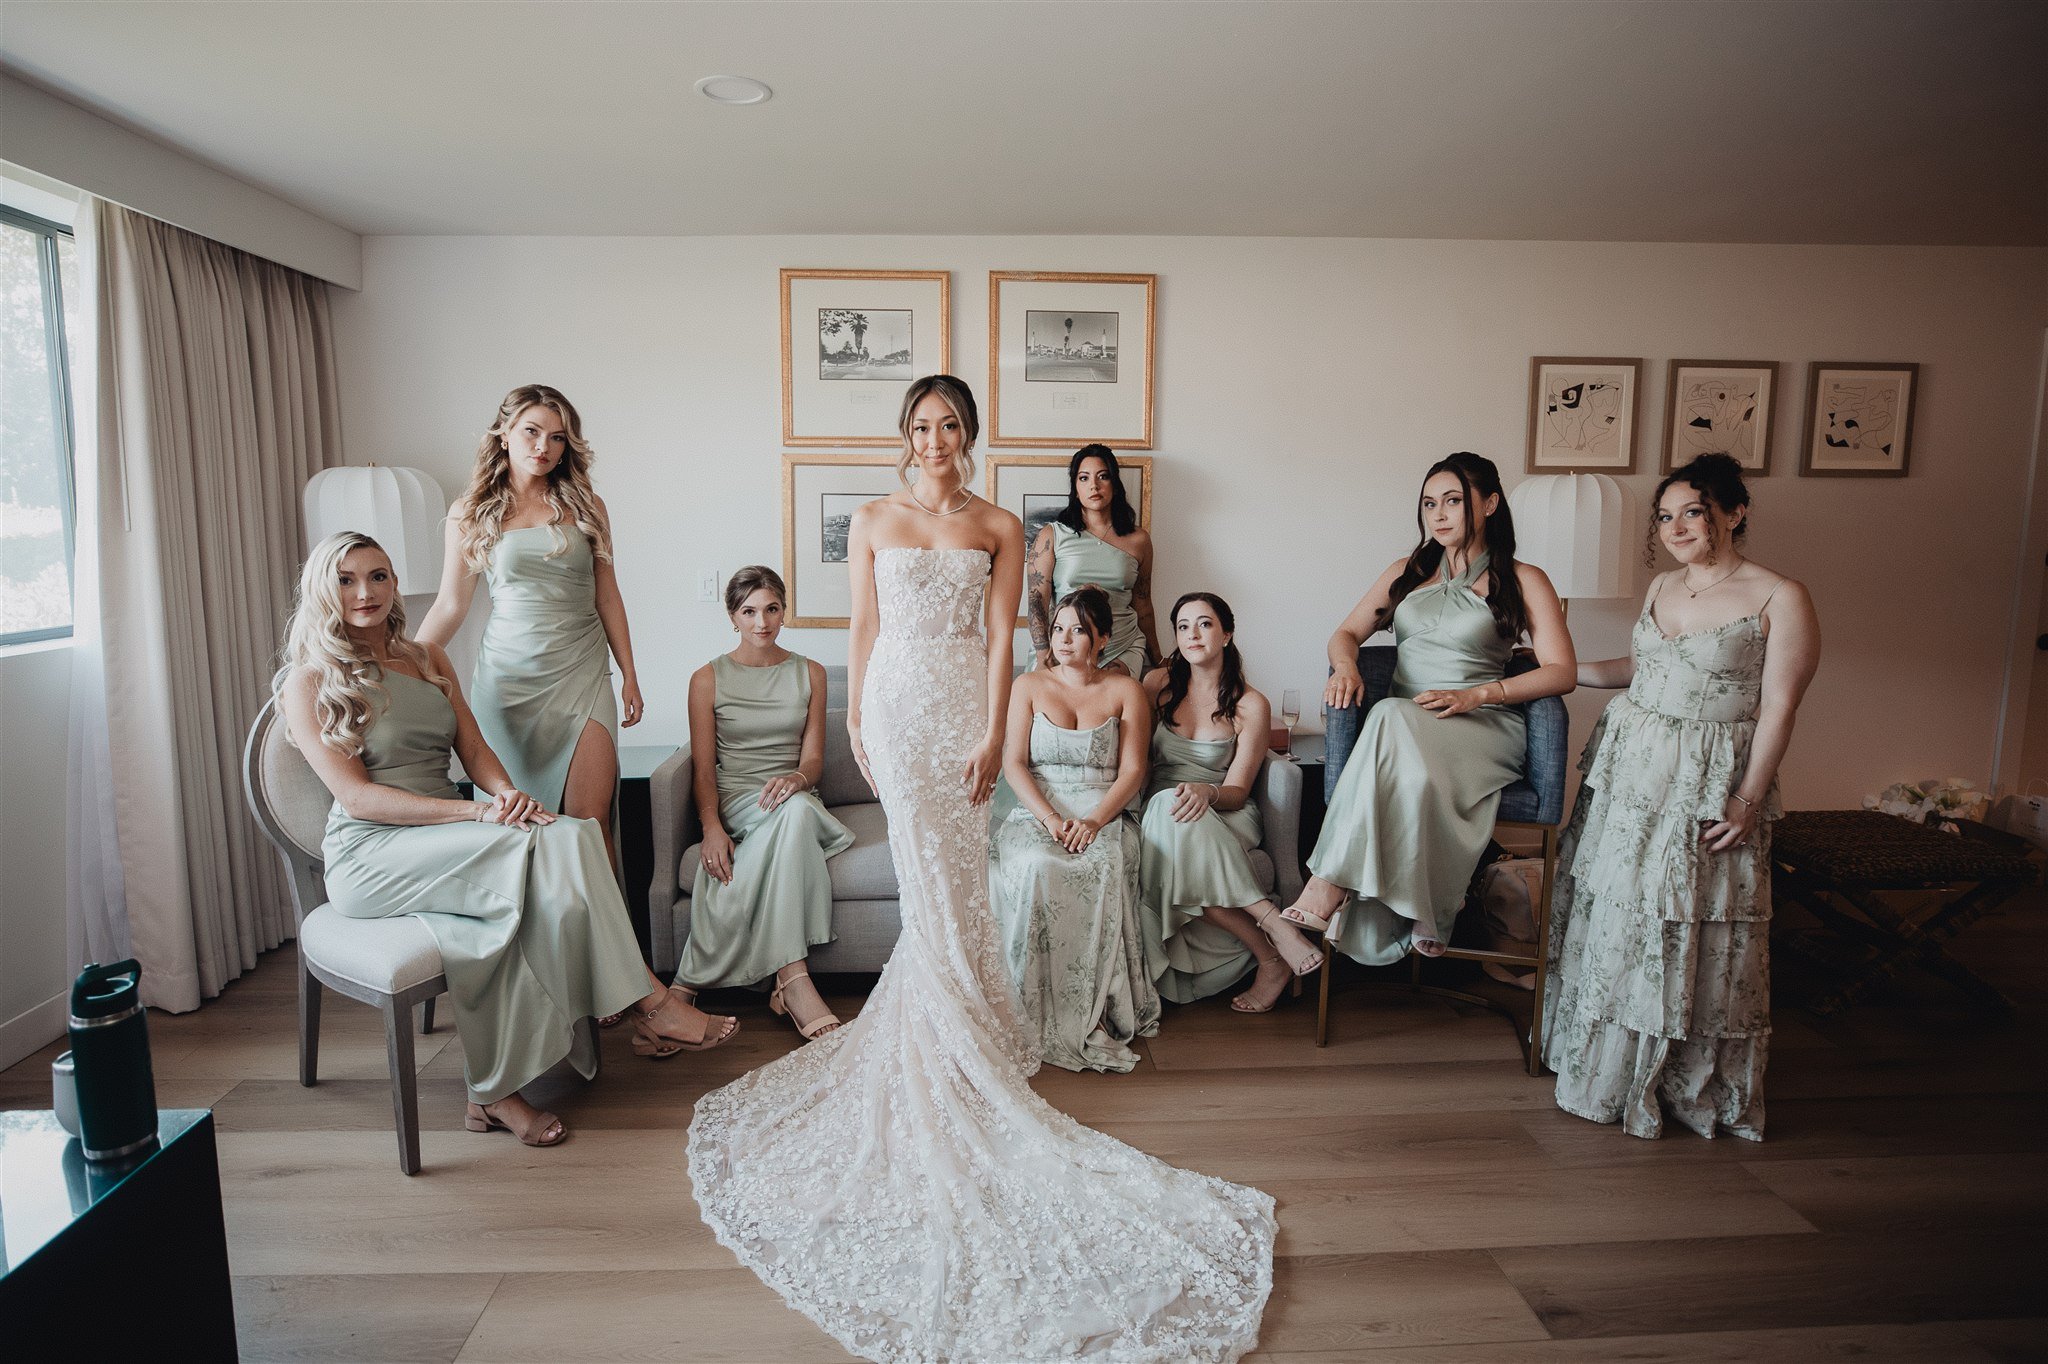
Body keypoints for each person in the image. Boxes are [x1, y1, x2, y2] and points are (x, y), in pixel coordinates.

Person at [687, 376, 1274, 1363]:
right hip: (897, 708)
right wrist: (866, 725)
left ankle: (966, 1028)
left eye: (950, 423)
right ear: (904, 435)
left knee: (961, 877)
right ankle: (940, 1037)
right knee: (926, 884)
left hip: (963, 707)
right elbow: (863, 628)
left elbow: (1003, 635)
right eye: (921, 424)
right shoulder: (873, 516)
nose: (936, 438)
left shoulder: (1000, 522)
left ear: (969, 432)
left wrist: (989, 731)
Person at [276, 533, 735, 1149]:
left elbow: (473, 747)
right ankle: (649, 999)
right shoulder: (309, 681)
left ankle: (491, 1093)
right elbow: (358, 799)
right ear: (322, 591)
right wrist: (473, 815)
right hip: (372, 854)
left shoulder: (427, 658)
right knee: (556, 844)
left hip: (448, 841)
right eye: (347, 579)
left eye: (379, 576)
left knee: (561, 841)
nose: (366, 593)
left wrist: (505, 796)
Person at [1545, 453, 1819, 1140]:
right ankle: (1601, 1071)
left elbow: (1781, 709)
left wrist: (1747, 799)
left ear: (1734, 511)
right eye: (1664, 517)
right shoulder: (1662, 586)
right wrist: (1554, 671)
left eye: (1691, 512)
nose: (1675, 527)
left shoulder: (1779, 595)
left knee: (1689, 924)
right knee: (1622, 919)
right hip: (1630, 775)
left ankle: (1678, 1083)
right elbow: (1642, 671)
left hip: (1708, 782)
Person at [1281, 452, 1576, 962]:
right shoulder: (1406, 571)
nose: (1439, 515)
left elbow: (1561, 671)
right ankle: (1431, 907)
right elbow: (1345, 633)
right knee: (1396, 731)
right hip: (1403, 729)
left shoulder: (1526, 578)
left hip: (1481, 724)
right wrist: (1347, 667)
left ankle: (1328, 882)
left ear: (1490, 503)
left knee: (1388, 716)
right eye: (1429, 503)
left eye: (1454, 501)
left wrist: (1478, 694)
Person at [416, 384, 643, 874]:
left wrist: (629, 674)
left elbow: (608, 596)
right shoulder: (470, 512)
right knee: (519, 828)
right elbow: (452, 604)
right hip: (508, 685)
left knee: (590, 822)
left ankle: (611, 949)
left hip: (582, 675)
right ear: (503, 434)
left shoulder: (588, 507)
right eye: (532, 432)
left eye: (558, 438)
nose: (544, 447)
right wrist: (407, 663)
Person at [674, 566, 853, 1040]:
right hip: (738, 800)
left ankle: (701, 984)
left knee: (794, 810)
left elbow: (813, 760)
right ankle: (792, 982)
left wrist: (796, 778)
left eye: (771, 609)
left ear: (783, 611)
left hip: (794, 796)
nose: (762, 622)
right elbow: (703, 769)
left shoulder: (810, 672)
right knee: (789, 819)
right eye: (749, 611)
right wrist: (712, 828)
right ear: (732, 616)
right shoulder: (706, 679)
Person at [991, 586, 1158, 1073]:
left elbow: (1133, 771)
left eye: (1079, 630)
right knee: (1039, 864)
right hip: (1037, 808)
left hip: (1102, 809)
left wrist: (1093, 820)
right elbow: (1014, 763)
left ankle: (1096, 1009)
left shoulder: (1125, 690)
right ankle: (1030, 1008)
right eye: (1059, 628)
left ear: (1102, 638)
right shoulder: (1028, 685)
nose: (1064, 639)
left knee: (1102, 864)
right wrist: (1049, 818)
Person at [1140, 592, 1323, 1012]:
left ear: (1227, 634)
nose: (1193, 634)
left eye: (1204, 624)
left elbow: (1239, 789)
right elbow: (1137, 759)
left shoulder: (1250, 703)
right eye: (1183, 626)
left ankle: (1271, 954)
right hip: (1162, 810)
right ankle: (1274, 937)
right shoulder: (1157, 686)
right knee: (1172, 814)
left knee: (1184, 847)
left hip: (1226, 812)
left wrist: (1208, 792)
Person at [1026, 444, 1160, 675]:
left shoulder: (1139, 540)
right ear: (1075, 487)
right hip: (1063, 644)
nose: (1094, 486)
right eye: (1084, 478)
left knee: (1107, 699)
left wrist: (1158, 659)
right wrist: (1044, 654)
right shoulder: (1052, 535)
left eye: (1103, 477)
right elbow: (1037, 601)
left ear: (1115, 485)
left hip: (1121, 644)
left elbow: (1143, 605)